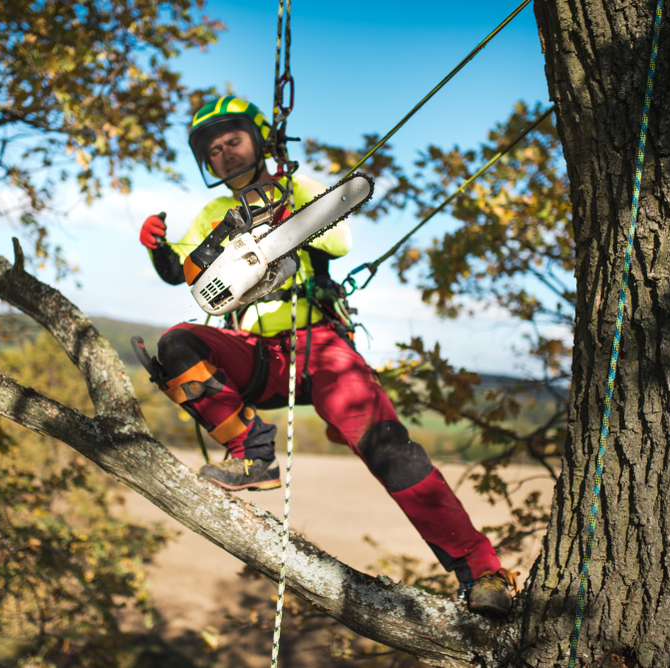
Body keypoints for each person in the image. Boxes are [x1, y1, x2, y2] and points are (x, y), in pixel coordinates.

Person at [138, 95, 516, 617]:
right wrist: (160, 248)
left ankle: (482, 571)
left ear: (259, 140)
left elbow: (338, 239)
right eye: (214, 149)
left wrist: (280, 219)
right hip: (258, 353)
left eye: (233, 140)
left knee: (388, 448)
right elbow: (186, 270)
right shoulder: (210, 214)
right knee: (178, 343)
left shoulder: (301, 187)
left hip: (319, 345)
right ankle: (253, 453)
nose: (225, 152)